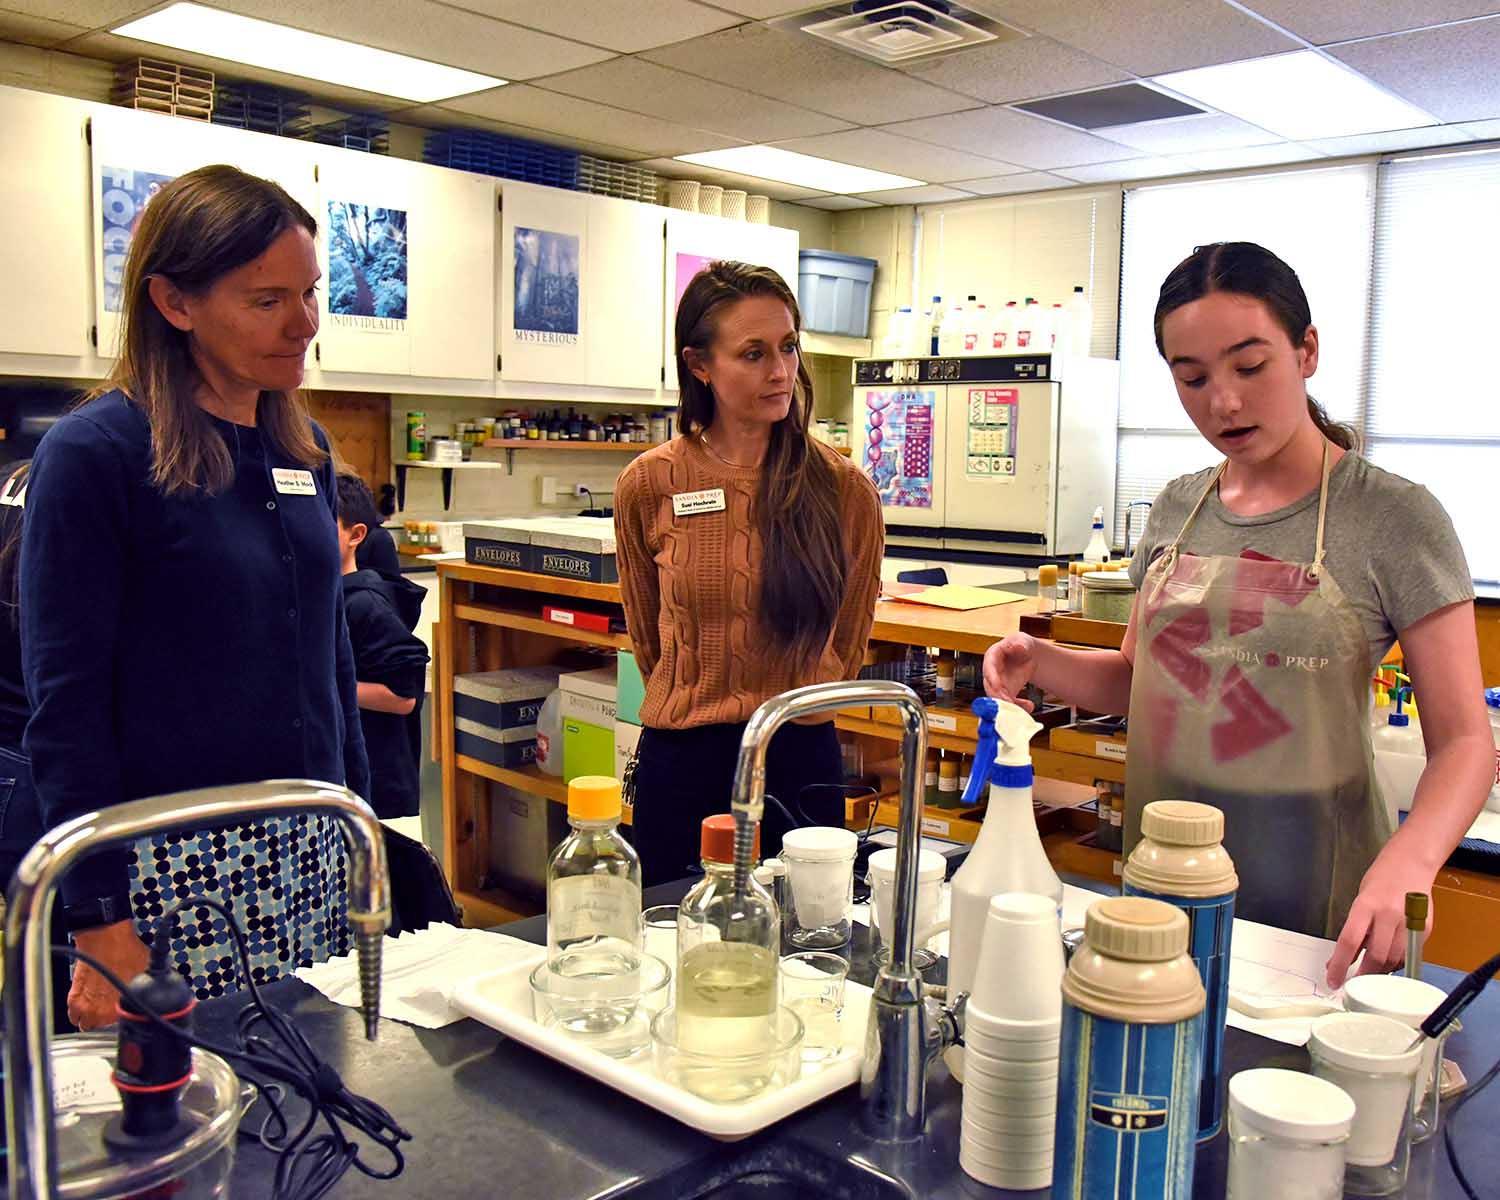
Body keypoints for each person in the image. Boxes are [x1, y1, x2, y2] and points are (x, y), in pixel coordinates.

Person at [983, 242, 1491, 987]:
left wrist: (1409, 862)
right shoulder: (1179, 507)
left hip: (1321, 903)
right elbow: (1141, 677)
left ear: (1306, 350)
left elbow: (1465, 742)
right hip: (1166, 881)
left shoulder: (1393, 517)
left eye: (1250, 367)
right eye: (1193, 378)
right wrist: (1043, 664)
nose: (1223, 401)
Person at [22, 164, 370, 1028]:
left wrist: (361, 831)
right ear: (175, 303)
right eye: (267, 300)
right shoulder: (98, 453)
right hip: (165, 865)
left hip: (310, 848)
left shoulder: (304, 450)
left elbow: (326, 654)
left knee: (319, 1096)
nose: (305, 324)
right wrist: (99, 918)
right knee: (195, 1128)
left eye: (310, 292)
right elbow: (65, 709)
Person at [614, 261, 883, 886]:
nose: (781, 371)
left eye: (788, 346)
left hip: (799, 758)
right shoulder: (649, 483)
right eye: (754, 353)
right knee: (675, 939)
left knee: (806, 948)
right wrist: (708, 697)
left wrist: (778, 705)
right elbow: (649, 639)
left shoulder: (843, 489)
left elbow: (847, 641)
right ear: (700, 366)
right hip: (684, 761)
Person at [337, 472, 429, 820]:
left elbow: (403, 696)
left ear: (356, 535)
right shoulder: (325, 597)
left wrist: (324, 686)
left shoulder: (365, 604)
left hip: (378, 782)